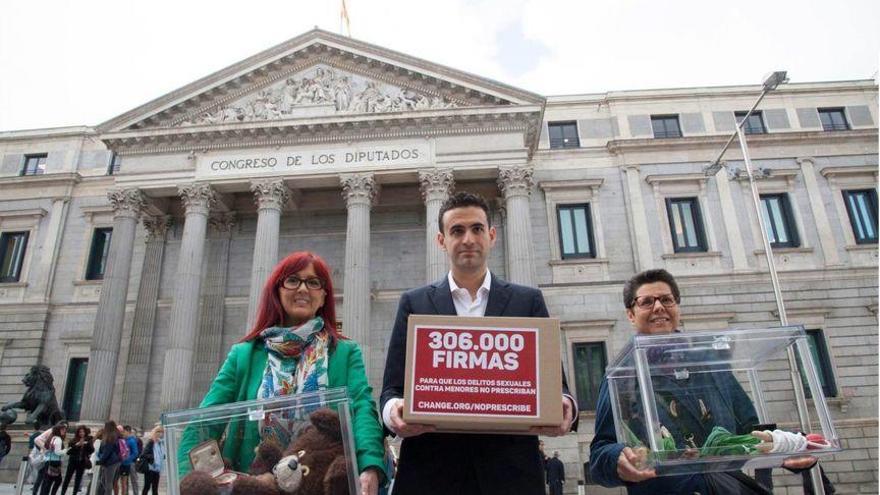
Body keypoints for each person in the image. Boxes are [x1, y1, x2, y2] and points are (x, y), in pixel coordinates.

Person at [380, 192, 577, 495]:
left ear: (492, 236)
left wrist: (565, 406)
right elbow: (392, 390)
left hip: (511, 474)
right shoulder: (414, 303)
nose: (468, 239)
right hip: (432, 474)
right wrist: (393, 412)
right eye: (457, 231)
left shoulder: (528, 301)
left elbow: (556, 386)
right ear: (441, 241)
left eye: (477, 229)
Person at [589, 268, 817, 494]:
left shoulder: (710, 363)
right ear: (631, 314)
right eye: (647, 302)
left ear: (677, 307)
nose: (659, 307)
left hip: (726, 488)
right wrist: (617, 458)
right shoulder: (622, 375)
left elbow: (750, 427)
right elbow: (600, 454)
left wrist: (789, 445)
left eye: (667, 300)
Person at [177, 251, 387, 495]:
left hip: (317, 483)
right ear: (277, 290)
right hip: (254, 484)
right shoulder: (244, 355)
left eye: (313, 282)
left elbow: (362, 409)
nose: (303, 289)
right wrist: (185, 479)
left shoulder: (344, 352)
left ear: (323, 296)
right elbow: (205, 421)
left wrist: (369, 465)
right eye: (293, 280)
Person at [60, 425, 93, 495]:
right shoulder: (73, 440)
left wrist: (87, 444)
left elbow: (92, 450)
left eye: (83, 432)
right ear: (77, 433)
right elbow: (68, 452)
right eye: (80, 432)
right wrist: (77, 445)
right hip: (73, 462)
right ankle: (62, 493)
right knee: (67, 478)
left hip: (82, 462)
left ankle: (74, 493)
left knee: (78, 480)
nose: (81, 433)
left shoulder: (88, 440)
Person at [94, 421, 122, 495]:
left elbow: (107, 451)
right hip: (116, 461)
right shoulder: (116, 435)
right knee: (105, 481)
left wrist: (101, 460)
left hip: (110, 462)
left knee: (108, 483)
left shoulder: (110, 436)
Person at [39, 423, 66, 495]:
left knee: (49, 481)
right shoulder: (58, 439)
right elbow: (58, 452)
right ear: (58, 430)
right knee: (57, 480)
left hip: (50, 460)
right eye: (62, 430)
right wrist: (66, 450)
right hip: (55, 461)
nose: (64, 431)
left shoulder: (53, 438)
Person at [140, 425, 164, 495]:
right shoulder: (151, 442)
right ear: (155, 432)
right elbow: (144, 454)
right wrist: (153, 458)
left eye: (161, 432)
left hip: (157, 468)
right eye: (158, 432)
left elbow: (161, 454)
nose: (160, 433)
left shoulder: (160, 443)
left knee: (155, 488)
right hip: (150, 468)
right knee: (147, 486)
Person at [117, 426, 139, 495]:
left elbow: (135, 452)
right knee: (124, 482)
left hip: (130, 463)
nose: (123, 433)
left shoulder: (132, 441)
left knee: (133, 480)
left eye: (124, 431)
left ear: (128, 432)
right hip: (123, 463)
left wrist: (127, 459)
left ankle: (136, 493)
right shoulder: (123, 440)